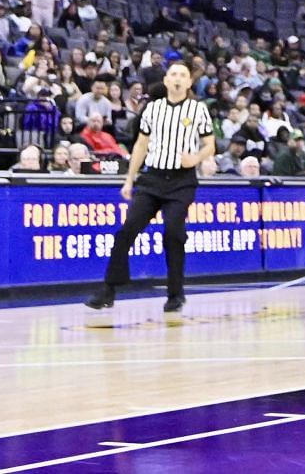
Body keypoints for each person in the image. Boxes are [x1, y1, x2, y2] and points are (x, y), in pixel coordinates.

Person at [87, 62, 215, 315]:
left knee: (174, 233)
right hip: (152, 178)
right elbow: (141, 146)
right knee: (126, 231)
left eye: (183, 75)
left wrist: (196, 158)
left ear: (189, 82)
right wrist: (129, 179)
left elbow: (210, 144)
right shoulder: (153, 109)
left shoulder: (198, 109)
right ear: (166, 80)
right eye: (173, 74)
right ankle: (108, 289)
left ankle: (175, 294)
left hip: (181, 180)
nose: (177, 79)